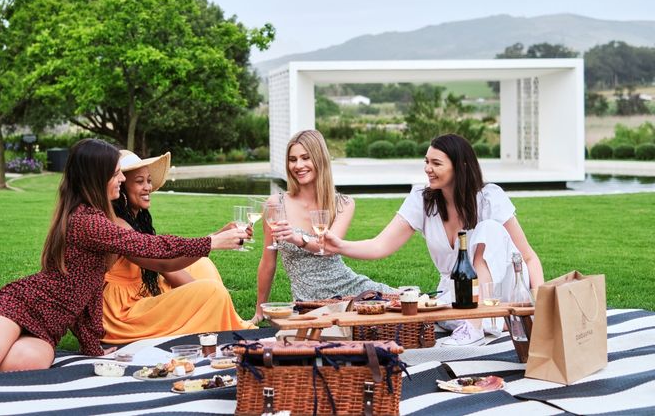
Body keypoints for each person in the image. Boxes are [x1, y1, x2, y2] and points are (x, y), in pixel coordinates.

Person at [0, 139, 247, 377]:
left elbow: (87, 292)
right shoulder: (88, 222)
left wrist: (95, 348)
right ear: (97, 178)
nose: (120, 180)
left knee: (22, 368)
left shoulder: (96, 219)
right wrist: (211, 241)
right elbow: (150, 249)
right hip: (16, 307)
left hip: (46, 327)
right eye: (115, 174)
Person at [324, 133, 544, 346]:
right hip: (455, 292)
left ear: (461, 166)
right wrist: (340, 245)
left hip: (503, 285)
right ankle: (498, 321)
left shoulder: (489, 197)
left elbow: (529, 257)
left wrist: (543, 309)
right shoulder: (422, 199)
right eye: (426, 161)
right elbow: (380, 245)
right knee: (435, 312)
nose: (428, 169)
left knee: (488, 229)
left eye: (436, 163)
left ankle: (479, 325)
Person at [102, 150, 256, 344]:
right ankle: (218, 316)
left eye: (148, 181)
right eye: (139, 181)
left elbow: (168, 267)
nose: (148, 187)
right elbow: (164, 264)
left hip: (141, 291)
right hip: (123, 313)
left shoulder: (135, 220)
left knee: (203, 267)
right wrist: (213, 243)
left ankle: (221, 315)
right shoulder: (117, 224)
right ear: (122, 186)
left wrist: (220, 234)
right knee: (213, 292)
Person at [252, 129, 395, 323]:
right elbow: (268, 262)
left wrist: (296, 238)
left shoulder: (342, 204)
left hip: (351, 288)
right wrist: (259, 310)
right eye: (292, 159)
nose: (298, 165)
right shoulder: (276, 204)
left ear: (320, 159)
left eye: (305, 158)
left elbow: (328, 248)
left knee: (408, 304)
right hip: (309, 302)